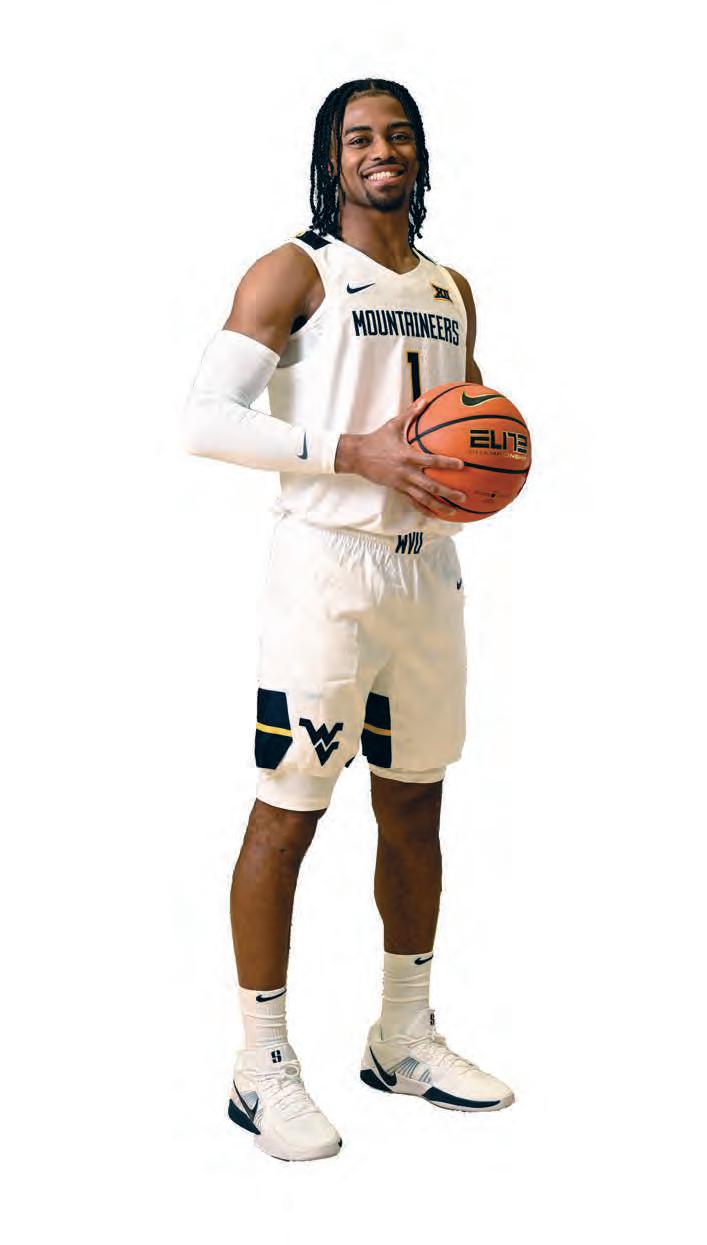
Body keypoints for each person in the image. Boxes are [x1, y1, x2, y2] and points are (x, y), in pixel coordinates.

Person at [184, 77, 514, 1163]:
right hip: (323, 570)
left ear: (421, 154)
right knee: (287, 812)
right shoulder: (296, 270)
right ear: (330, 158)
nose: (382, 149)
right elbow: (204, 419)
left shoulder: (451, 288)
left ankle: (401, 1037)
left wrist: (487, 464)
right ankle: (260, 1062)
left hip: (427, 576)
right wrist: (352, 452)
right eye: (359, 136)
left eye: (399, 133)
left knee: (415, 806)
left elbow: (468, 418)